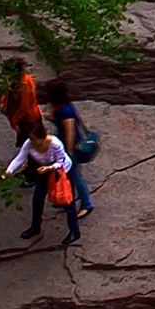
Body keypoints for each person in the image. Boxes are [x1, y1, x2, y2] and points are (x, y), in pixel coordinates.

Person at [4, 119, 80, 246]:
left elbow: (61, 161)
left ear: (42, 137)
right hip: (44, 172)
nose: (32, 142)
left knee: (68, 201)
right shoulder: (29, 144)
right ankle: (35, 227)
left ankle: (74, 230)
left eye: (34, 139)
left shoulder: (55, 144)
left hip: (61, 172)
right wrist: (8, 172)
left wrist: (50, 168)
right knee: (37, 199)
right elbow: (19, 159)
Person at [40, 82, 93, 219]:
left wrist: (68, 153)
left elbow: (70, 133)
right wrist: (51, 117)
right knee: (68, 175)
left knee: (76, 175)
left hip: (71, 148)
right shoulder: (62, 107)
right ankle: (67, 198)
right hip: (63, 145)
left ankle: (87, 204)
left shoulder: (66, 111)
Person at [0, 60, 38, 144]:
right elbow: (7, 95)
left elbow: (24, 107)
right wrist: (3, 103)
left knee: (29, 145)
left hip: (28, 120)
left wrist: (14, 121)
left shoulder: (24, 84)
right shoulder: (14, 82)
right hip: (21, 118)